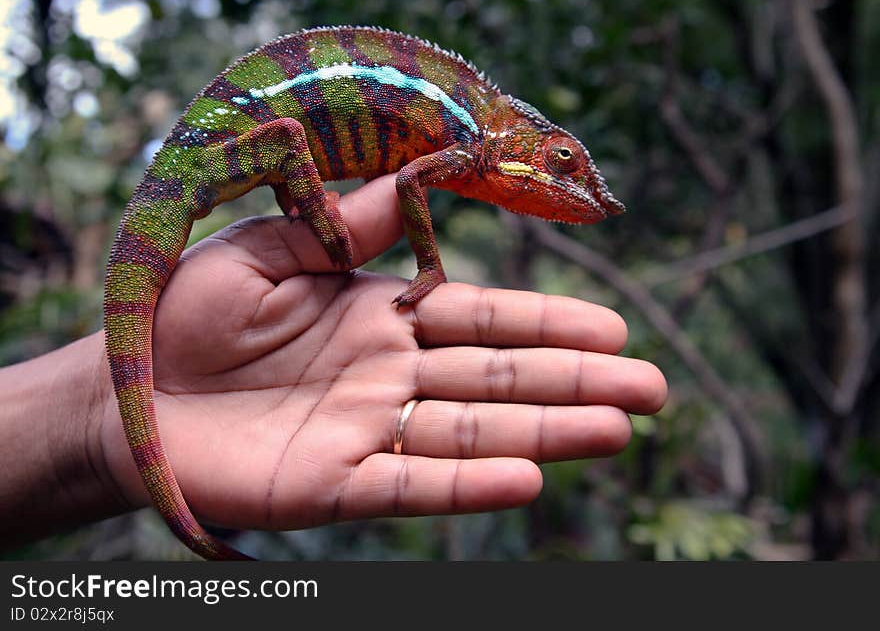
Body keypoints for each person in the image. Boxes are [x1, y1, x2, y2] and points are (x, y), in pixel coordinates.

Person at [0, 174, 666, 550]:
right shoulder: (474, 137)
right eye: (560, 162)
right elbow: (409, 182)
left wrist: (93, 422)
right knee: (290, 138)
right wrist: (427, 263)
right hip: (244, 137)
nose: (571, 186)